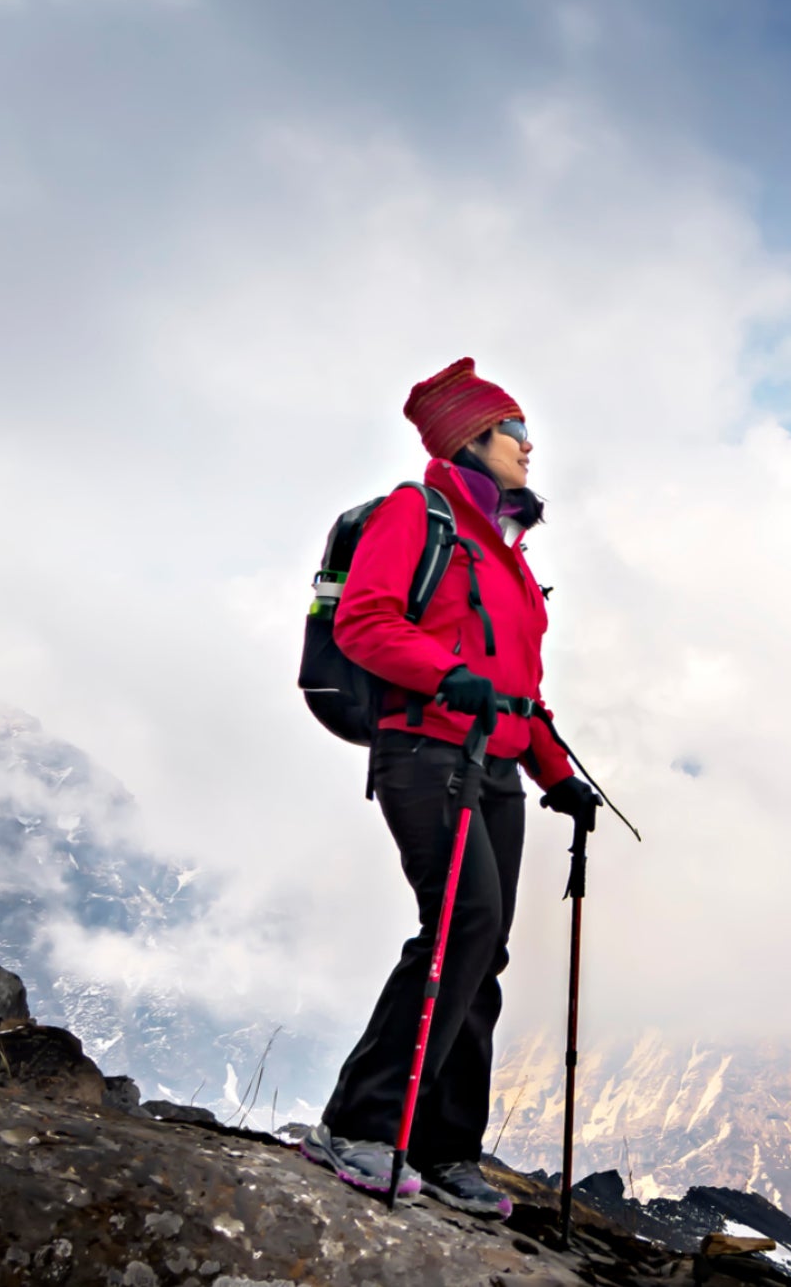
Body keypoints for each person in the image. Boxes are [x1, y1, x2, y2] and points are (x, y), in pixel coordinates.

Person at [300, 357, 597, 1219]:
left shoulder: (506, 552)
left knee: (485, 948)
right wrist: (444, 676)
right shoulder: (415, 513)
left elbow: (520, 691)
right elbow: (365, 622)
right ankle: (359, 1127)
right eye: (517, 431)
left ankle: (443, 1148)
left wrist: (558, 777)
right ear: (474, 437)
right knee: (461, 927)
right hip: (425, 753)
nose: (530, 448)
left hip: (494, 768)